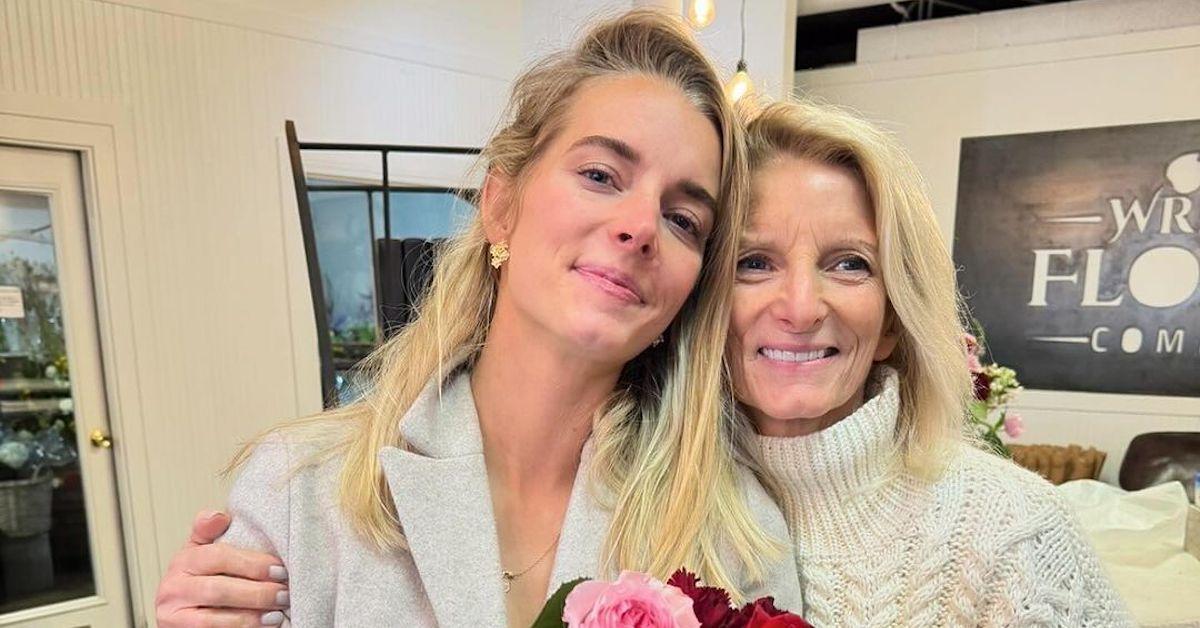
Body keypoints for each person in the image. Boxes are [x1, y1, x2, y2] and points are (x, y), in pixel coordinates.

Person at [153, 11, 801, 628]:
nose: (639, 227)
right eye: (602, 175)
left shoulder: (734, 535)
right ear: (500, 206)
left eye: (684, 219)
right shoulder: (302, 491)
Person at [734, 99, 1132, 626]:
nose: (802, 307)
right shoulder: (641, 499)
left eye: (850, 264)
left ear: (893, 321)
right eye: (754, 263)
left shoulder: (1013, 528)